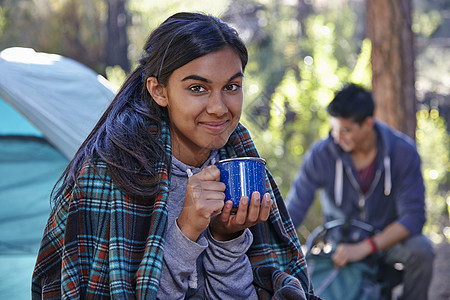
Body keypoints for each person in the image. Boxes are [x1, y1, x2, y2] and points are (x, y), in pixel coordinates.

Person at [32, 12, 320, 300]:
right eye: (198, 88)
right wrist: (186, 229)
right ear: (159, 91)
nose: (219, 108)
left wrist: (226, 237)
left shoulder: (238, 159)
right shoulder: (111, 174)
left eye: (231, 86)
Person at [286, 83, 435, 300]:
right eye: (334, 129)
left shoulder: (402, 152)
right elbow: (294, 208)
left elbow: (413, 217)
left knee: (422, 250)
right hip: (340, 244)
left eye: (345, 130)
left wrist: (367, 247)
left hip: (387, 242)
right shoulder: (322, 154)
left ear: (368, 123)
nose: (337, 137)